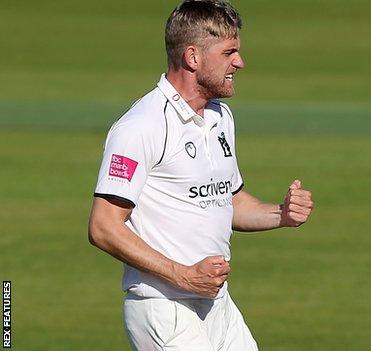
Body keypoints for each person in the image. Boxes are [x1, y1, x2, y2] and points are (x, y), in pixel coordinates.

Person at [87, 1, 314, 350]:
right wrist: (185, 276)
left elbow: (229, 200)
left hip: (218, 305)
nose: (240, 62)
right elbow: (104, 226)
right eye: (229, 52)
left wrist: (280, 214)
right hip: (164, 308)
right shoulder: (142, 126)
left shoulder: (220, 117)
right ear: (193, 58)